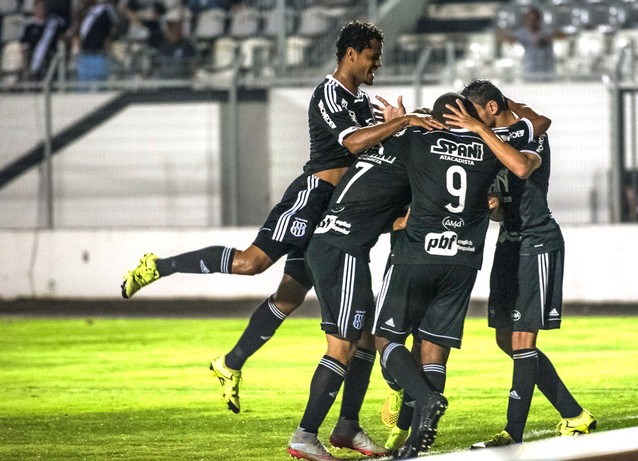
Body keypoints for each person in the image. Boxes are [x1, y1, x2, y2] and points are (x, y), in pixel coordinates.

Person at [120, 19, 439, 430]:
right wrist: (403, 121)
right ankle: (158, 266)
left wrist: (394, 122)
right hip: (312, 198)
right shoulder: (329, 93)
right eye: (373, 57)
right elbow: (352, 144)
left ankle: (230, 363)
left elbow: (374, 150)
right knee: (251, 263)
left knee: (290, 296)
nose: (377, 65)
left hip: (335, 213)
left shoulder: (362, 102)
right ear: (351, 54)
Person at [374, 91, 548, 459]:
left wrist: (398, 119)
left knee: (386, 339)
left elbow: (375, 145)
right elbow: (523, 154)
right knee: (434, 351)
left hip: (416, 255)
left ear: (435, 119)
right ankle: (418, 440)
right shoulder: (490, 147)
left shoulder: (418, 138)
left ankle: (425, 398)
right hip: (462, 263)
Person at [448, 80, 596, 449]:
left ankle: (511, 433)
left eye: (476, 113)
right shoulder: (496, 139)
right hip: (510, 244)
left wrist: (481, 130)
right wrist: (492, 206)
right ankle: (575, 414)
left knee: (521, 338)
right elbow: (500, 203)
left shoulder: (525, 135)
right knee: (505, 338)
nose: (471, 122)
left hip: (538, 242)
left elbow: (522, 165)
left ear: (492, 109)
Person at [287, 103, 431, 460]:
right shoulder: (415, 159)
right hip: (344, 250)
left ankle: (348, 426)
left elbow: (370, 204)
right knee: (342, 346)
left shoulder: (382, 150)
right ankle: (305, 434)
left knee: (364, 337)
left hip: (331, 244)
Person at [496, 6, 566, 82]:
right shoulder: (522, 32)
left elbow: (562, 35)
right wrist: (502, 34)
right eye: (529, 19)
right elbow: (506, 39)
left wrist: (544, 37)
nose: (532, 22)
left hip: (547, 71)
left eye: (534, 19)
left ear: (539, 19)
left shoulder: (546, 30)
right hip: (530, 71)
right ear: (524, 20)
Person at [72, 0, 121, 85]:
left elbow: (118, 26)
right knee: (83, 86)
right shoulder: (82, 11)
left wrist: (110, 39)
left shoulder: (106, 8)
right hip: (84, 55)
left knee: (99, 85)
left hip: (99, 55)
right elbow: (78, 29)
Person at [19, 0, 68, 81]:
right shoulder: (29, 27)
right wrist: (26, 67)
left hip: (50, 63)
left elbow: (65, 36)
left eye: (43, 7)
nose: (41, 10)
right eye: (39, 7)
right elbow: (24, 47)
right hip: (34, 63)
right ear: (34, 9)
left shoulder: (55, 24)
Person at [150, 10, 199, 79]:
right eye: (177, 26)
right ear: (170, 27)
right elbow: (152, 66)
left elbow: (193, 68)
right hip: (163, 84)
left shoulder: (188, 46)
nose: (181, 29)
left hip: (182, 85)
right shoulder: (159, 44)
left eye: (181, 26)